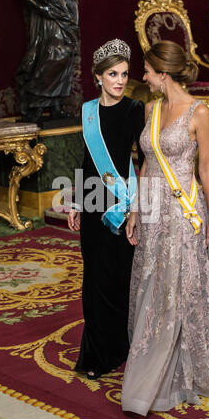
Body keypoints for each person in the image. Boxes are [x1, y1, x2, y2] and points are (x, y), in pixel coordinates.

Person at [121, 40, 209, 415]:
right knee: (154, 284)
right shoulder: (151, 108)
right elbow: (146, 163)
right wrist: (135, 210)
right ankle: (154, 357)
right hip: (151, 212)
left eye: (147, 71)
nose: (143, 76)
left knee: (180, 289)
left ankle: (177, 369)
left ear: (163, 73)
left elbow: (206, 170)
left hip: (182, 214)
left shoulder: (199, 112)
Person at [68, 39, 145, 380]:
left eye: (124, 74)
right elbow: (86, 161)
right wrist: (74, 200)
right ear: (98, 76)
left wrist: (138, 209)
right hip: (92, 202)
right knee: (94, 278)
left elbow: (145, 162)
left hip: (124, 204)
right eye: (112, 74)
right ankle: (97, 354)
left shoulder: (135, 110)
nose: (120, 80)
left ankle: (121, 345)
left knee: (120, 278)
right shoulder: (87, 112)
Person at [15, 0, 91, 123]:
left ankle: (55, 105)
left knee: (67, 56)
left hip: (68, 11)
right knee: (51, 56)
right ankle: (36, 104)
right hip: (49, 14)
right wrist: (42, 7)